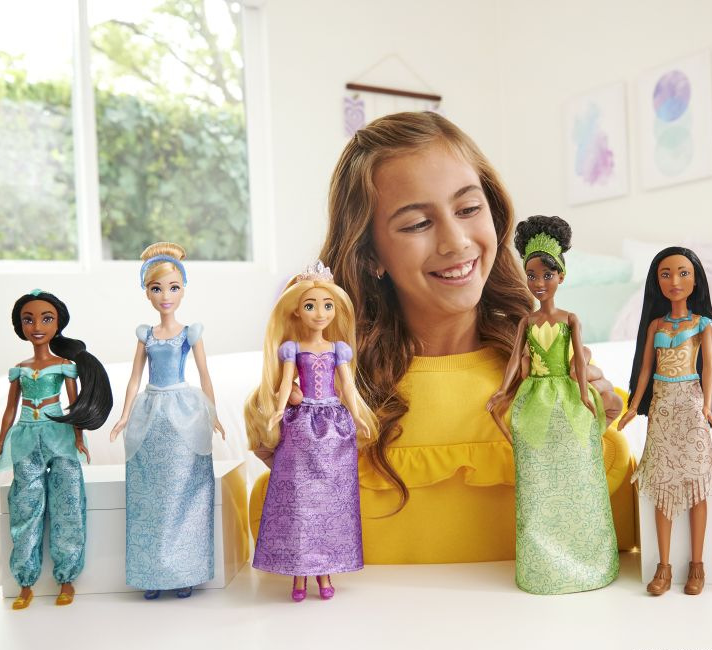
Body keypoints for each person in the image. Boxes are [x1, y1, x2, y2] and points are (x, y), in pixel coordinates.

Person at [253, 111, 637, 563]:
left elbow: (623, 535)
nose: (455, 242)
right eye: (417, 223)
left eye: (469, 209)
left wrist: (587, 438)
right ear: (370, 254)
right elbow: (280, 549)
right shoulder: (337, 399)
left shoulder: (545, 382)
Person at [486, 215, 619, 593]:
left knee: (579, 472)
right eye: (532, 275)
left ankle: (589, 563)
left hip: (566, 396)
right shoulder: (526, 322)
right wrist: (503, 390)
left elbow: (579, 360)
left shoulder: (569, 319)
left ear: (561, 276)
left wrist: (584, 394)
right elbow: (515, 360)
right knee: (537, 480)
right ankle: (542, 567)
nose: (539, 283)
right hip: (535, 396)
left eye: (547, 275)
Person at [245, 262, 374, 601]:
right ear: (296, 311)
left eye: (327, 305)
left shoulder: (337, 349)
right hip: (302, 426)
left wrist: (357, 416)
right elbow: (286, 383)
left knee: (331, 502)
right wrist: (276, 412)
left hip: (333, 427)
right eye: (311, 306)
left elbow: (348, 386)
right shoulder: (293, 349)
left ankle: (325, 574)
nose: (320, 313)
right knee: (300, 503)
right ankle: (299, 577)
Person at [0, 290, 112, 609]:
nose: (37, 326)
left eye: (46, 319)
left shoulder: (65, 366)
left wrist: (79, 437)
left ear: (58, 325)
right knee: (25, 506)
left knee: (68, 504)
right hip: (26, 436)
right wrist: (0, 444)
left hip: (60, 436)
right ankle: (25, 581)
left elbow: (75, 404)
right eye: (29, 320)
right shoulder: (20, 369)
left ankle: (66, 578)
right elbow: (10, 410)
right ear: (20, 326)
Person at [110, 242, 225, 600]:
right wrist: (124, 415)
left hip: (182, 413)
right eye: (157, 288)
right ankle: (153, 573)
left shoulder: (190, 333)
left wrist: (213, 414)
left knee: (182, 491)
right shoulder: (145, 334)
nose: (165, 296)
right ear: (146, 292)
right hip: (150, 413)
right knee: (151, 496)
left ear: (183, 290)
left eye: (173, 288)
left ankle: (184, 571)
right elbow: (134, 378)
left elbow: (205, 376)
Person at [617, 247, 712, 596]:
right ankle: (663, 567)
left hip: (691, 404)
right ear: (656, 281)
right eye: (666, 274)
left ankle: (697, 565)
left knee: (696, 485)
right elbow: (645, 368)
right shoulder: (656, 326)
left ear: (695, 279)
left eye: (683, 273)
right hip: (662, 406)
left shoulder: (702, 324)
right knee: (662, 486)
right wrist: (634, 405)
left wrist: (707, 406)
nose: (675, 281)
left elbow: (708, 368)